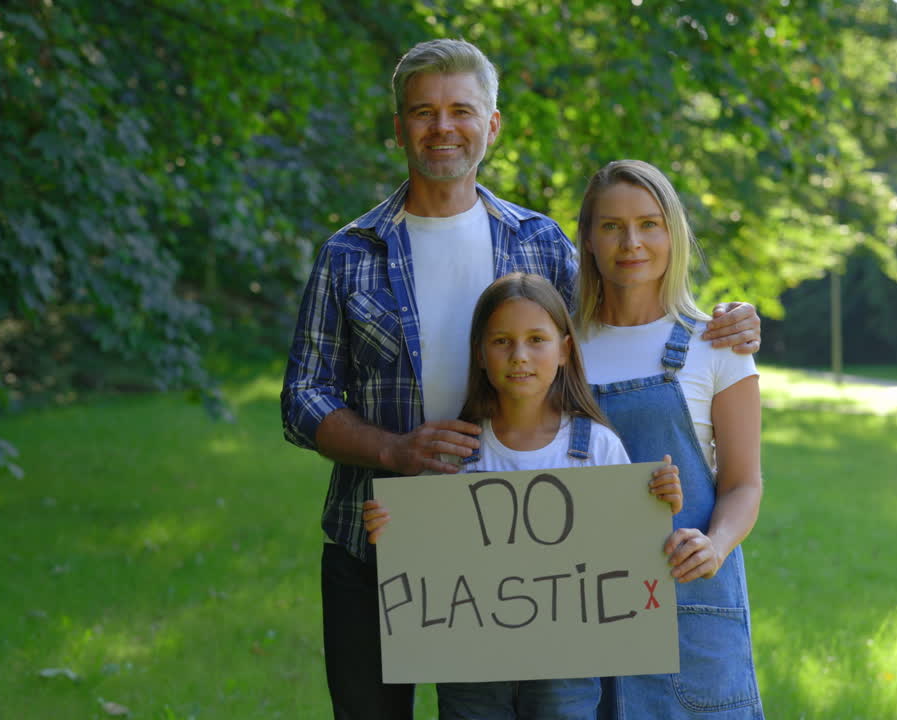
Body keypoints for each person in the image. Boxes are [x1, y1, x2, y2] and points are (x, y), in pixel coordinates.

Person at [280, 38, 761, 720]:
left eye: (461, 110)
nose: (442, 127)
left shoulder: (537, 241)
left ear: (492, 125)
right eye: (423, 112)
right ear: (398, 129)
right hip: (377, 540)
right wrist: (394, 451)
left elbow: (620, 316)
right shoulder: (350, 252)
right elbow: (302, 398)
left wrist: (725, 318)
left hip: (531, 565)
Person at [362, 272, 683, 719]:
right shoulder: (457, 454)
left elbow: (627, 550)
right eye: (502, 342)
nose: (519, 356)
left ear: (565, 350)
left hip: (567, 666)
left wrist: (657, 502)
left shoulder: (597, 447)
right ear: (480, 354)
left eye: (536, 339)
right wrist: (393, 531)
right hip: (469, 664)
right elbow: (428, 557)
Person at [575, 160, 765, 719]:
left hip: (690, 602)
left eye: (649, 224)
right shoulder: (558, 348)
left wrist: (717, 543)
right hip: (584, 607)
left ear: (673, 232)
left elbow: (744, 484)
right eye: (611, 226)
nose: (631, 242)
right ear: (587, 239)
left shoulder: (718, 345)